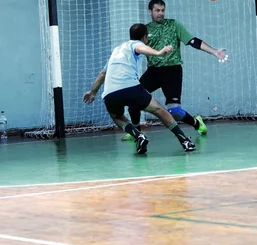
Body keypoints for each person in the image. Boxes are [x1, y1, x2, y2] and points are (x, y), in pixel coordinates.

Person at [121, 0, 228, 141]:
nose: (160, 13)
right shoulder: (145, 30)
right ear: (150, 12)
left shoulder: (173, 25)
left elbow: (193, 41)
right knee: (133, 100)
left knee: (175, 111)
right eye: (157, 10)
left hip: (172, 71)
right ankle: (136, 132)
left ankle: (197, 123)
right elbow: (136, 48)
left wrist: (214, 52)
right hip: (153, 72)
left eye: (162, 10)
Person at [83, 23, 196, 154]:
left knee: (117, 116)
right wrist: (159, 53)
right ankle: (184, 141)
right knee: (159, 110)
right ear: (144, 37)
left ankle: (138, 136)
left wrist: (92, 92)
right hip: (130, 87)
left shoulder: (117, 50)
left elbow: (103, 73)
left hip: (110, 94)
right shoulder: (136, 44)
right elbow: (142, 49)